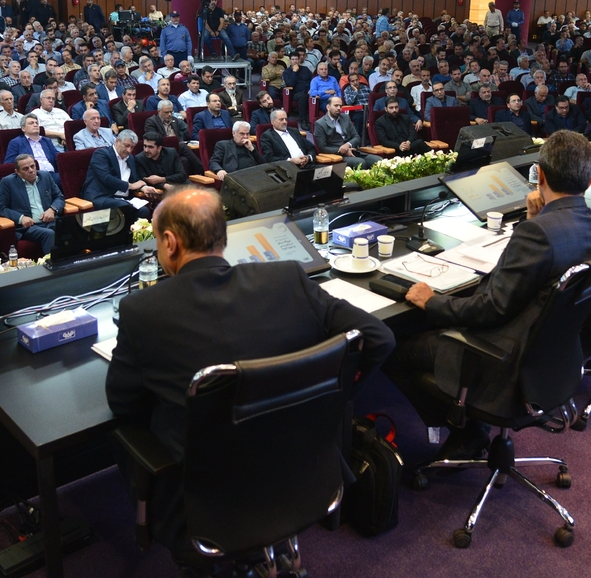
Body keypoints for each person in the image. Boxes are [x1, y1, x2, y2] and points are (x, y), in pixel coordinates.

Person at [105, 188, 394, 562]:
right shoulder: (287, 279)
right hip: (305, 473)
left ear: (170, 243)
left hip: (209, 504)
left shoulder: (141, 311)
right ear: (222, 236)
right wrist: (332, 401)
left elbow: (123, 404)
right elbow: (379, 338)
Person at [384, 130, 591, 457]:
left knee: (393, 347)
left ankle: (464, 428)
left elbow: (490, 309)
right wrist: (533, 220)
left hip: (504, 360)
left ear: (540, 175)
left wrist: (432, 302)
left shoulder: (539, 233)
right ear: (590, 181)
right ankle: (467, 425)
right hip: (552, 357)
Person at [0, 154, 66, 256]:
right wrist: (21, 218)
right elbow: (0, 208)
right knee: (49, 233)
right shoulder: (8, 182)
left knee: (70, 226)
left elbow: (59, 197)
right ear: (17, 172)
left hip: (50, 221)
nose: (31, 170)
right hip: (29, 227)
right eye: (25, 169)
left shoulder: (45, 176)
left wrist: (52, 209)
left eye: (32, 166)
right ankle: (53, 264)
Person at [84, 129, 156, 221]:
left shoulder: (130, 158)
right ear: (117, 141)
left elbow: (134, 179)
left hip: (123, 198)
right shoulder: (101, 154)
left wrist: (143, 188)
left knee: (144, 211)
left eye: (132, 147)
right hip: (102, 196)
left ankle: (135, 231)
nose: (129, 150)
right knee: (124, 207)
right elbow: (106, 178)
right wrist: (130, 186)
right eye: (127, 146)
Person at [313, 97, 381, 170]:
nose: (339, 108)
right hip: (337, 155)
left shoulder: (345, 117)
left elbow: (357, 137)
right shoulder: (320, 123)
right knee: (360, 163)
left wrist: (348, 144)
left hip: (353, 151)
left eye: (340, 106)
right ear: (328, 107)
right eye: (336, 105)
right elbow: (323, 148)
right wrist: (343, 150)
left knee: (378, 160)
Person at [6, 113, 61, 185]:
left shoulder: (46, 141)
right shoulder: (16, 142)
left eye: (36, 123)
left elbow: (58, 157)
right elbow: (9, 164)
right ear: (23, 128)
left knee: (68, 177)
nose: (35, 125)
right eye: (31, 123)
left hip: (52, 175)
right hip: (32, 176)